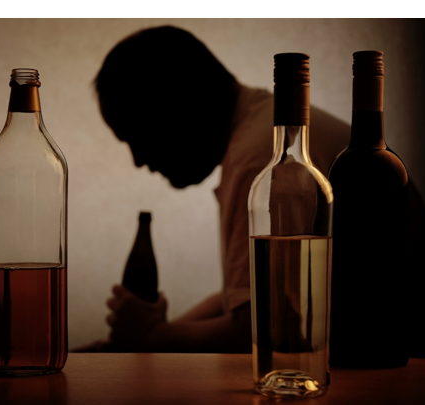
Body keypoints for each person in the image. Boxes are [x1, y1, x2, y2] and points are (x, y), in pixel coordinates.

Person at [74, 26, 351, 353]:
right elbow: (244, 300)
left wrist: (150, 337)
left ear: (173, 104)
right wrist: (147, 335)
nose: (138, 160)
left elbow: (264, 329)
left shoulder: (259, 159)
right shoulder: (261, 127)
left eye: (136, 134)